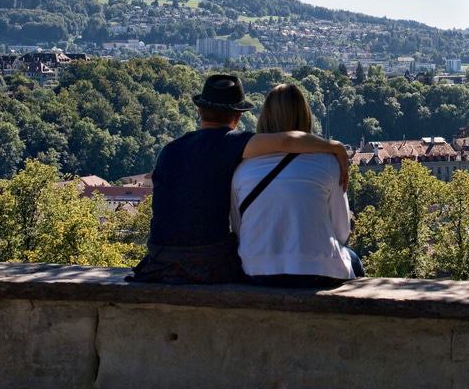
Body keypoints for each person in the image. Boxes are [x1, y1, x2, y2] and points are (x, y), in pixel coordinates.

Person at [129, 74, 350, 284]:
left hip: (160, 260)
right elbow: (285, 142)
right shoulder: (231, 143)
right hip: (207, 262)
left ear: (199, 111)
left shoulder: (170, 150)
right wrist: (332, 146)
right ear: (237, 117)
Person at [231, 83, 364, 288]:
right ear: (305, 116)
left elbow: (240, 230)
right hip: (316, 270)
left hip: (256, 271)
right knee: (354, 259)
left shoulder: (242, 170)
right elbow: (341, 232)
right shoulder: (327, 163)